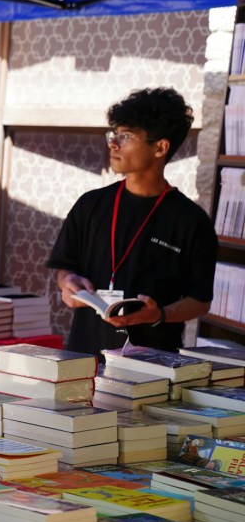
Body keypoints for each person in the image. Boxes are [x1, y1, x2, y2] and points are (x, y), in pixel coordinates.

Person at [47, 87, 217, 356]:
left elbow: (200, 301)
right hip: (82, 358)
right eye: (113, 134)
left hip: (153, 363)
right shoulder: (90, 205)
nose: (113, 143)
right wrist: (68, 281)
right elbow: (64, 268)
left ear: (160, 147)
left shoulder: (192, 221)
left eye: (125, 136)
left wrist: (159, 314)